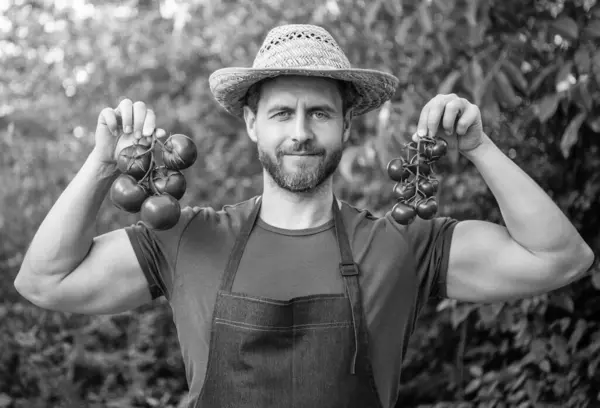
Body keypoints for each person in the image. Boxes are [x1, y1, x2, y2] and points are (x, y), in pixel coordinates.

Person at [14, 24, 594, 408]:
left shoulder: (402, 244)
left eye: (319, 113)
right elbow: (44, 280)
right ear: (251, 124)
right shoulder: (185, 237)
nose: (299, 132)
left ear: (346, 125)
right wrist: (98, 162)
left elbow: (560, 258)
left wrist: (480, 148)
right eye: (282, 113)